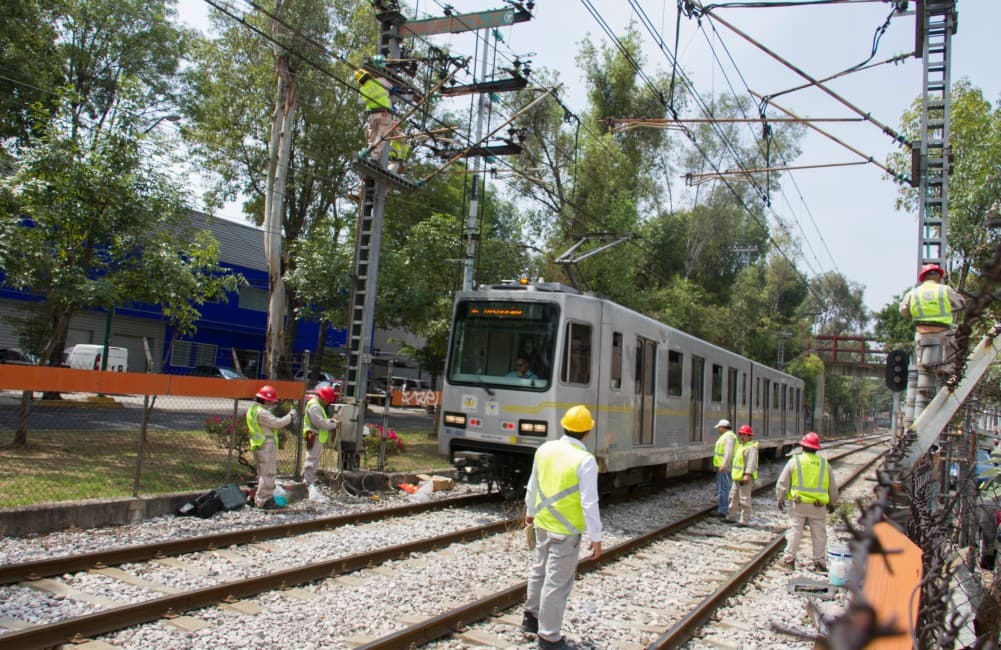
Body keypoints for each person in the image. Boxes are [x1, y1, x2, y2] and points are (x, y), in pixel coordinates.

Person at [523, 405, 602, 650]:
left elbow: (532, 484)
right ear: (587, 431)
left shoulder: (545, 449)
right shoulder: (585, 460)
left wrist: (530, 513)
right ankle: (549, 637)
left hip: (543, 524)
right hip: (566, 531)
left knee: (539, 570)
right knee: (557, 583)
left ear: (563, 425)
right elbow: (589, 502)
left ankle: (531, 618)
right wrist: (596, 536)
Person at [776, 432, 840, 572]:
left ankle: (788, 560)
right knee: (819, 534)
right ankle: (819, 563)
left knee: (795, 531)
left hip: (799, 504)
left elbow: (782, 483)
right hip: (818, 505)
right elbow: (833, 488)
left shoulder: (795, 461)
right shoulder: (824, 464)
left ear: (802, 446)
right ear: (817, 448)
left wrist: (780, 499)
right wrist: (833, 503)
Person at [898, 263, 965, 367]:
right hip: (943, 332)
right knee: (951, 356)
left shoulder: (913, 293)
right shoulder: (945, 289)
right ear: (938, 276)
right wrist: (948, 309)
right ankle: (949, 374)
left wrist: (913, 313)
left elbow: (903, 311)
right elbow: (961, 304)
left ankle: (922, 371)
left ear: (923, 278)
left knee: (922, 364)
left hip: (922, 332)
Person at [246, 385, 296, 510]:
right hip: (265, 445)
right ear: (266, 400)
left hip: (259, 444)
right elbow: (277, 423)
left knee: (263, 473)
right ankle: (264, 500)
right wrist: (291, 416)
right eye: (271, 401)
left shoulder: (253, 409)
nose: (272, 403)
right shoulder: (262, 413)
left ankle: (258, 498)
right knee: (268, 473)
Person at [301, 385, 341, 503]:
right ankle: (308, 482)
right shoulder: (314, 407)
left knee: (313, 459)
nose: (327, 403)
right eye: (327, 401)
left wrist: (329, 421)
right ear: (323, 398)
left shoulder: (316, 405)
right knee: (311, 459)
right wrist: (334, 424)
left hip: (315, 436)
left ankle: (309, 480)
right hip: (314, 436)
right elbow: (321, 423)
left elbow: (322, 420)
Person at [355, 68, 394, 162]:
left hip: (372, 115)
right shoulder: (381, 81)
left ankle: (368, 153)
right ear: (369, 75)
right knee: (382, 136)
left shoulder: (362, 90)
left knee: (372, 136)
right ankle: (374, 156)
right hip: (385, 113)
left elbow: (360, 102)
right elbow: (393, 88)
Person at [726, 424, 758, 526]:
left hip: (744, 477)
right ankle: (731, 517)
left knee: (744, 499)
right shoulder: (741, 447)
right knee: (732, 497)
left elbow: (751, 463)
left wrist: (747, 474)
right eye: (740, 434)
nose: (742, 437)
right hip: (737, 477)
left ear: (750, 436)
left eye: (745, 435)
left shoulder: (751, 448)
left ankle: (744, 520)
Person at [711, 419, 737, 519]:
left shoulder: (729, 437)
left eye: (719, 428)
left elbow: (728, 452)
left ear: (723, 427)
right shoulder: (728, 436)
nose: (718, 429)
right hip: (724, 467)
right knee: (724, 488)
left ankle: (723, 510)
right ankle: (724, 508)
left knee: (724, 489)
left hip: (725, 468)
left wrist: (724, 465)